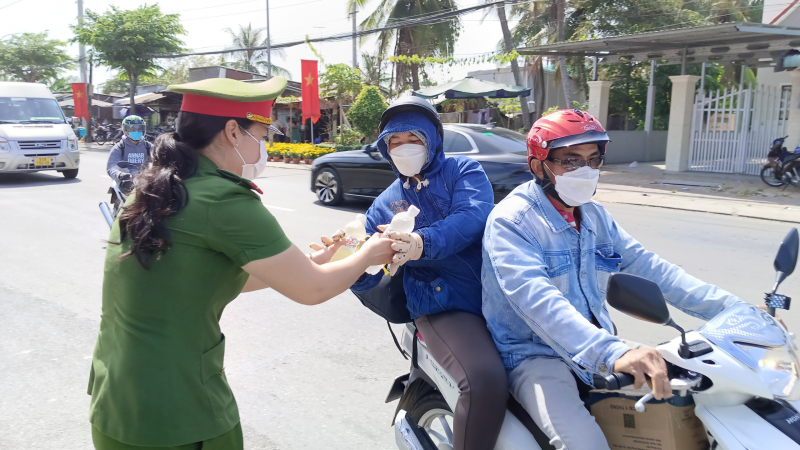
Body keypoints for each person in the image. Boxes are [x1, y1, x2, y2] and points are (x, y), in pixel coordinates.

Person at [87, 77, 396, 450]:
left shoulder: (157, 186)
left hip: (116, 401)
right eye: (262, 135)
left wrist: (308, 262)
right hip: (179, 415)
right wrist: (370, 254)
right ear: (233, 131)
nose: (264, 147)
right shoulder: (223, 199)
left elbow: (200, 276)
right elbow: (312, 289)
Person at [480, 109, 747, 450]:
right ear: (538, 166)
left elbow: (654, 270)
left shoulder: (593, 216)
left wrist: (735, 311)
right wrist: (614, 351)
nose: (585, 171)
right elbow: (537, 301)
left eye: (593, 160)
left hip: (597, 345)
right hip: (536, 354)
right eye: (570, 161)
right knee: (587, 445)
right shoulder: (512, 221)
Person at [348, 96, 508, 450]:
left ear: (433, 139)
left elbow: (472, 216)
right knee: (484, 381)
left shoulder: (463, 172)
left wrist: (422, 241)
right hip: (441, 305)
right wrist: (346, 255)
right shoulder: (386, 203)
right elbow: (368, 257)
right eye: (395, 141)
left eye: (414, 139)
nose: (404, 148)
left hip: (497, 292)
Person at [106, 115, 151, 192]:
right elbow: (112, 167)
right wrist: (120, 174)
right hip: (127, 181)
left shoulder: (148, 146)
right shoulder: (119, 147)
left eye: (139, 128)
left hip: (146, 180)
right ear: (125, 130)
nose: (136, 131)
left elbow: (161, 160)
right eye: (132, 129)